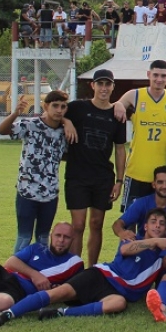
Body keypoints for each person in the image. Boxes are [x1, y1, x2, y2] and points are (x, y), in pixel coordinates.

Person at [0, 208, 166, 324]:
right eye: (153, 222)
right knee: (58, 294)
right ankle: (8, 313)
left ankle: (61, 313)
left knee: (118, 304)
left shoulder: (164, 252)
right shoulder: (131, 237)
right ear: (145, 226)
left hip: (119, 293)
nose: (157, 226)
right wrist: (154, 242)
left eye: (162, 224)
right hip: (101, 276)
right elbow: (126, 251)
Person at [61, 69, 127, 265]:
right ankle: (73, 267)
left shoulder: (117, 115)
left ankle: (91, 269)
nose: (104, 88)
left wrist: (119, 181)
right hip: (77, 175)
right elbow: (51, 109)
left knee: (96, 224)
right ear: (93, 86)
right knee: (78, 225)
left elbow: (120, 149)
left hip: (102, 177)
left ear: (113, 86)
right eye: (100, 84)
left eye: (108, 84)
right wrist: (66, 121)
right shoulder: (77, 108)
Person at [0, 89, 69, 253]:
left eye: (63, 107)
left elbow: (64, 155)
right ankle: (14, 274)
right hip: (27, 191)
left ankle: (40, 270)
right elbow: (2, 130)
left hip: (50, 193)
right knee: (24, 237)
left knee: (43, 238)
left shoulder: (64, 133)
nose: (59, 110)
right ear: (46, 106)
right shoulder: (31, 124)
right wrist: (15, 113)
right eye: (55, 106)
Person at [113, 60, 166, 211]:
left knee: (158, 219)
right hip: (136, 169)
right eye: (155, 75)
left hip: (162, 173)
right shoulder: (134, 95)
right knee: (130, 218)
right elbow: (116, 107)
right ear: (148, 74)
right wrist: (118, 105)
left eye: (163, 76)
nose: (159, 79)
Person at [112, 166, 166, 239]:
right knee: (124, 246)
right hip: (145, 248)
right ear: (154, 184)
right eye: (160, 182)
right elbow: (117, 224)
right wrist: (122, 233)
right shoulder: (142, 203)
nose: (164, 186)